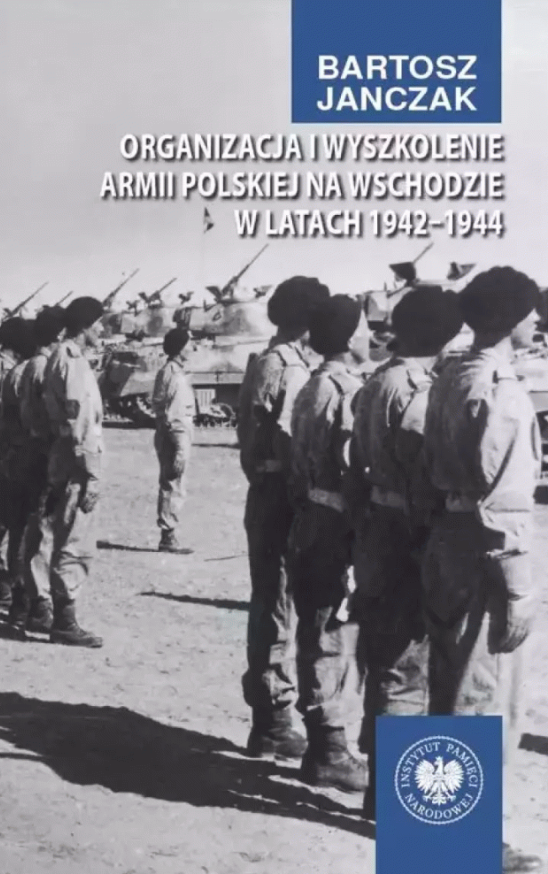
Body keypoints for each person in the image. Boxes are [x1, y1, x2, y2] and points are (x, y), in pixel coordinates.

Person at [422, 267, 543, 874]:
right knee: (483, 696)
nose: (537, 321)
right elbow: (507, 503)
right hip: (485, 551)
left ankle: (436, 830)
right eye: (530, 312)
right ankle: (458, 848)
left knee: (448, 686)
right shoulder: (501, 390)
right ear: (510, 319)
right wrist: (519, 587)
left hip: (449, 538)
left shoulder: (450, 374)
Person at [349, 287, 464, 818]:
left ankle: (380, 791)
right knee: (407, 667)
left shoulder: (379, 379)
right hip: (406, 534)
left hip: (378, 527)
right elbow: (420, 474)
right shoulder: (415, 389)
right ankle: (396, 804)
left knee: (385, 661)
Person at [236, 276, 330, 759]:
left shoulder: (267, 360)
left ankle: (270, 719)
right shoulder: (288, 366)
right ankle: (273, 721)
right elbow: (290, 442)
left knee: (272, 603)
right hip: (283, 496)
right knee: (279, 607)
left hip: (267, 492)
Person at [288, 294, 367, 792]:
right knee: (331, 632)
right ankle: (330, 750)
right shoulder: (346, 390)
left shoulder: (312, 384)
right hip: (338, 522)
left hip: (312, 516)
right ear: (350, 336)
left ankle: (324, 743)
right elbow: (355, 466)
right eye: (364, 327)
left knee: (317, 627)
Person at [43, 296, 105, 648]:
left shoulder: (64, 357)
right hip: (76, 466)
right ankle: (64, 622)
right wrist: (92, 473)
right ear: (85, 326)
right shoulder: (73, 362)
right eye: (99, 323)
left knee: (67, 537)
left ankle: (61, 617)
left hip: (66, 459)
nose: (102, 329)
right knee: (74, 542)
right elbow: (81, 423)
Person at [18, 306, 66, 633]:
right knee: (42, 529)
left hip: (40, 451)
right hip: (43, 453)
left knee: (43, 527)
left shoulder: (36, 364)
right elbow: (38, 416)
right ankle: (39, 604)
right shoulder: (41, 366)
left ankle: (34, 598)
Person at [0, 317, 32, 610]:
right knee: (3, 522)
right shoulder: (3, 369)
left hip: (7, 449)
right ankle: (4, 587)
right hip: (7, 451)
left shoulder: (7, 366)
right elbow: (8, 416)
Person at [151, 327, 196, 553]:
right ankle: (168, 535)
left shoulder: (171, 371)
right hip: (176, 434)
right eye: (189, 344)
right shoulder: (174, 375)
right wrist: (180, 449)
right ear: (180, 348)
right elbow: (174, 414)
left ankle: (168, 532)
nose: (193, 348)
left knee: (173, 483)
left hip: (172, 432)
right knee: (173, 484)